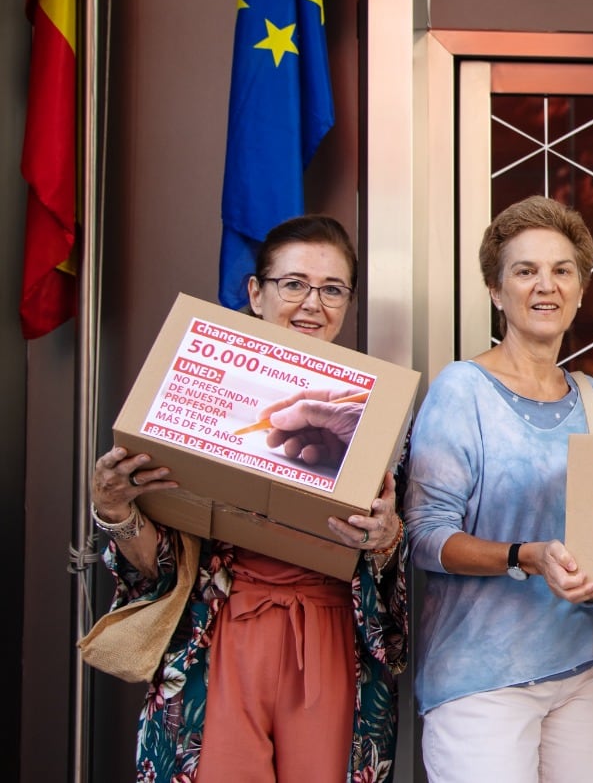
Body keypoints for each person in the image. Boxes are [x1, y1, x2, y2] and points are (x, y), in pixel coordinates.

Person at [90, 214, 407, 782]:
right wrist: (115, 511)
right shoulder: (198, 385)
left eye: (332, 289)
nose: (312, 303)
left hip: (332, 636)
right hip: (221, 628)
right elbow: (161, 563)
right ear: (256, 293)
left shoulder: (375, 412)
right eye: (293, 284)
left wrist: (386, 541)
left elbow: (387, 565)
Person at [404, 196, 593, 782]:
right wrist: (522, 556)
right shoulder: (462, 390)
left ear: (580, 290)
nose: (544, 286)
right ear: (497, 292)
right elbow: (423, 538)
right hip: (481, 681)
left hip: (587, 669)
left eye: (562, 270)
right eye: (525, 271)